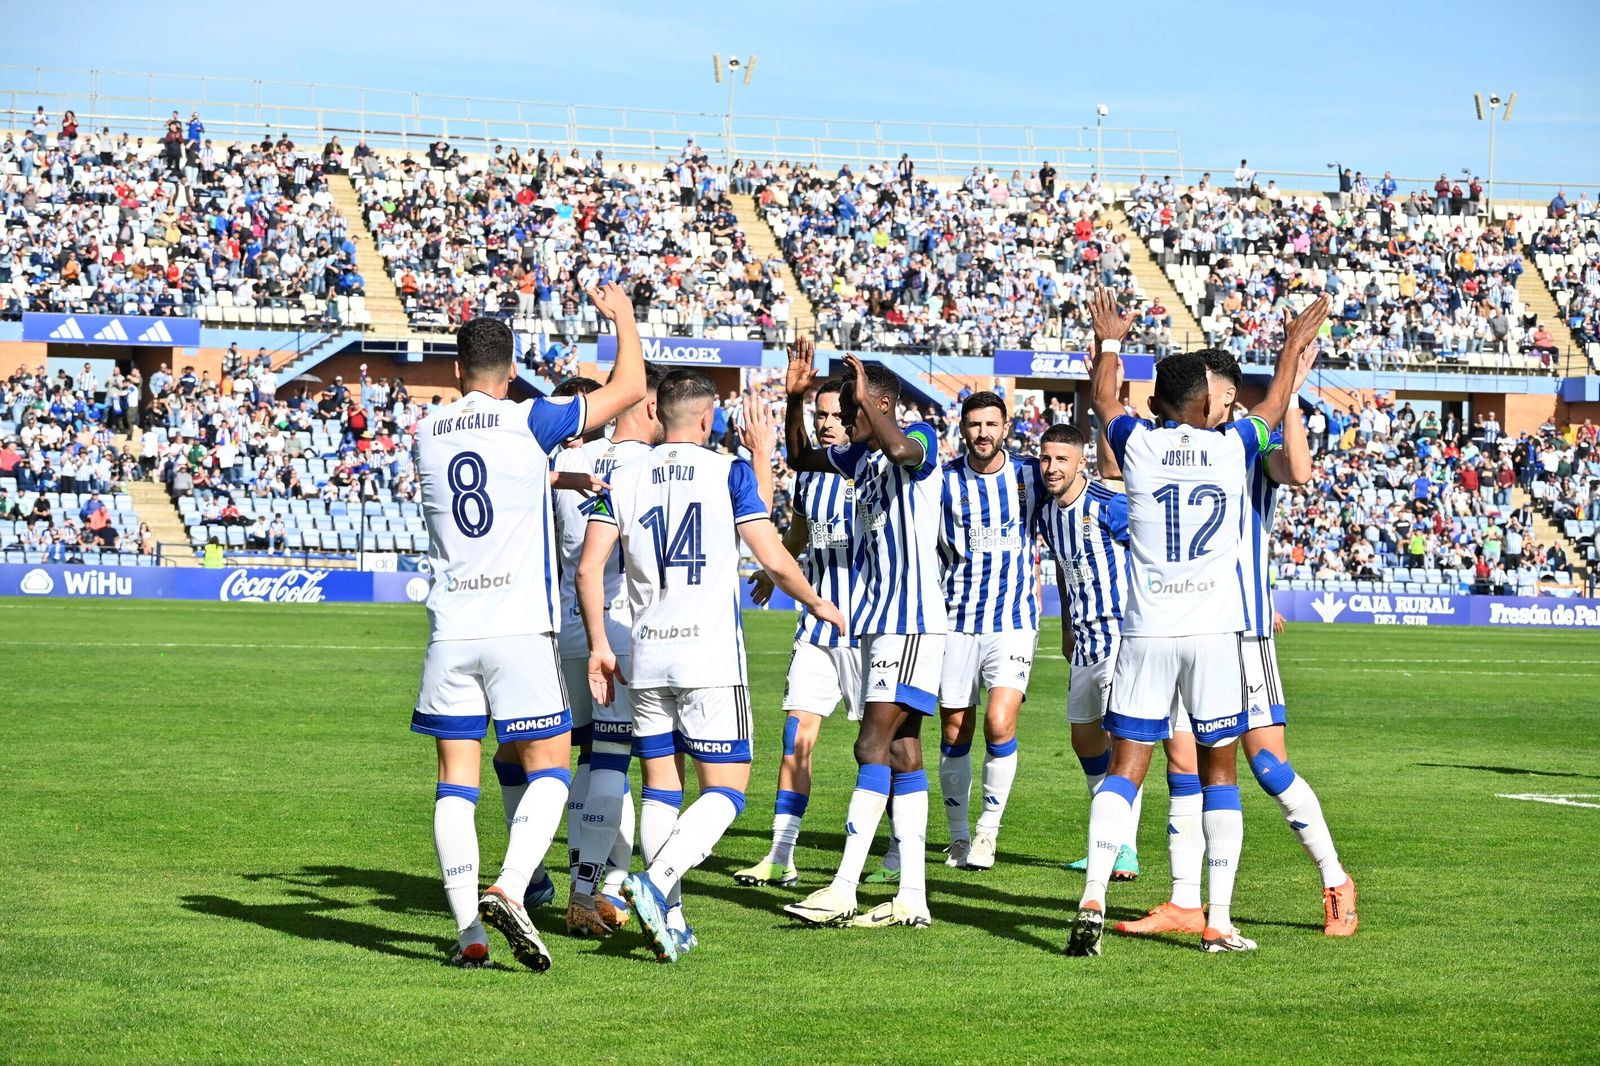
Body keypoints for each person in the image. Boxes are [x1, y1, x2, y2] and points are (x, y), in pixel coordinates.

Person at [1065, 289, 1327, 957]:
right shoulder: (1232, 446)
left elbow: (1103, 401)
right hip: (1213, 636)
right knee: (1220, 775)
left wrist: (1110, 342)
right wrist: (1292, 344)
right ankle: (1219, 920)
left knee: (1127, 770)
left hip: (1147, 630)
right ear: (1207, 405)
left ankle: (1094, 892)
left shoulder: (1139, 443)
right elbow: (1271, 407)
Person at [410, 284, 646, 972]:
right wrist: (622, 318)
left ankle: (469, 938)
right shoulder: (529, 422)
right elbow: (630, 385)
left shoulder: (426, 430)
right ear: (511, 373)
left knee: (455, 780)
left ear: (456, 373)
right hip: (518, 629)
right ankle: (512, 886)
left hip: (451, 628)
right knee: (549, 766)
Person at [581, 372, 842, 963]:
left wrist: (601, 641)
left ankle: (669, 916)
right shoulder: (729, 472)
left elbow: (589, 568)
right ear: (706, 419)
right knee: (728, 788)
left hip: (645, 652)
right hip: (710, 656)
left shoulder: (621, 473)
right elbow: (773, 557)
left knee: (662, 786)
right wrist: (816, 601)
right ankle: (654, 882)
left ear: (659, 413)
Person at [1114, 349, 1358, 940]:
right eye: (1219, 396)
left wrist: (1290, 395)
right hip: (1183, 628)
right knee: (1180, 762)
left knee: (1267, 766)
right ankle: (1183, 904)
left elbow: (1297, 472)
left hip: (1243, 633)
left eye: (1231, 398)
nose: (1224, 405)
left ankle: (1336, 879)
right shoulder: (1173, 450)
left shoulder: (1245, 455)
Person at [782, 347, 946, 930]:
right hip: (883, 620)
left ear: (881, 405)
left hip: (911, 621)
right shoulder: (862, 460)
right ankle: (913, 896)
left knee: (870, 746)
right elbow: (801, 458)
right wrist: (796, 399)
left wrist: (868, 399)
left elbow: (900, 446)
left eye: (854, 408)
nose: (845, 419)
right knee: (903, 752)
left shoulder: (917, 440)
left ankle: (844, 886)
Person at [549, 361, 666, 937]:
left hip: (564, 628)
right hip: (617, 631)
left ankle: (591, 879)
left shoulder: (568, 461)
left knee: (585, 754)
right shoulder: (645, 467)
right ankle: (591, 889)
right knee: (612, 760)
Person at [734, 374, 861, 888]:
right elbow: (800, 533)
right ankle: (781, 854)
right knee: (795, 735)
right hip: (817, 624)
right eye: (820, 416)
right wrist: (772, 568)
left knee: (885, 746)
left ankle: (895, 852)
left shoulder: (874, 472)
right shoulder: (810, 477)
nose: (826, 424)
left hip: (871, 627)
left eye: (835, 415)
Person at [935, 391, 1048, 871]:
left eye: (991, 425)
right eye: (974, 424)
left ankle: (987, 834)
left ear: (1006, 428)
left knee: (1000, 721)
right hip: (955, 622)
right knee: (956, 729)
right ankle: (958, 838)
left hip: (1013, 622)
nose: (982, 433)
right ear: (963, 428)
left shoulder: (1030, 477)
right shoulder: (942, 482)